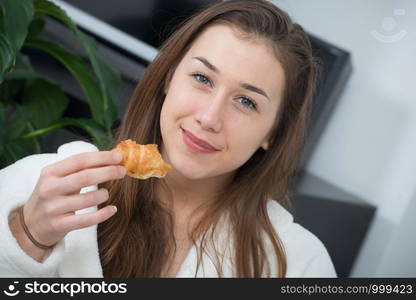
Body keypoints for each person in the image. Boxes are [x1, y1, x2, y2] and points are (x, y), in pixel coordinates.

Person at [0, 0, 337, 277]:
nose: (209, 118)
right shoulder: (42, 184)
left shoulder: (299, 264)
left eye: (246, 101)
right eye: (202, 78)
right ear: (169, 79)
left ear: (273, 133)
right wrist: (27, 238)